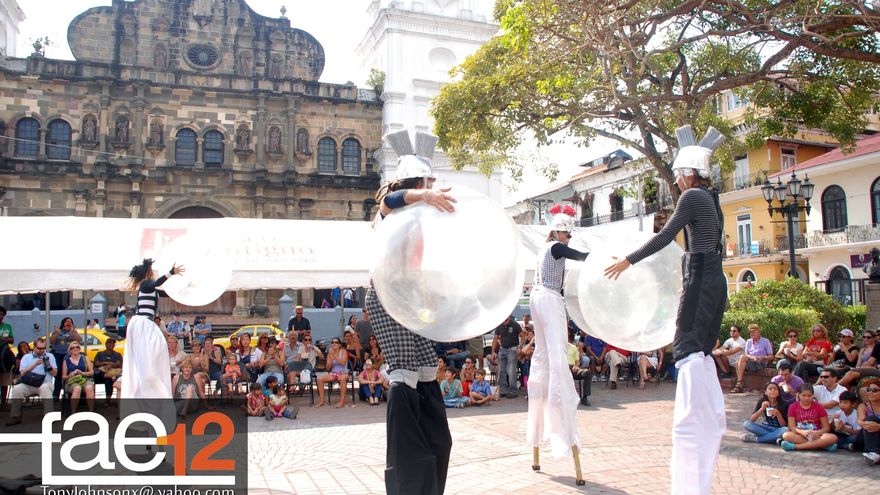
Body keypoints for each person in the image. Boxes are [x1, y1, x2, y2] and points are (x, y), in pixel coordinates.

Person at [605, 125, 727, 495]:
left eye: (677, 174)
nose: (674, 180)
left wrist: (628, 260)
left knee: (686, 349)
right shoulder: (713, 199)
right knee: (700, 352)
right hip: (715, 279)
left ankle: (690, 434)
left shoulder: (692, 197)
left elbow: (664, 237)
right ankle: (706, 422)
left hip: (701, 275)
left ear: (690, 172)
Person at [365, 129, 454, 495]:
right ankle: (407, 480)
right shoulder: (390, 214)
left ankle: (430, 467)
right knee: (404, 373)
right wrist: (424, 196)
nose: (433, 188)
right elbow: (391, 199)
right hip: (388, 299)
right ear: (417, 184)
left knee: (427, 369)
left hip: (409, 298)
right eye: (427, 183)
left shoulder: (418, 220)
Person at [527, 202, 589, 469]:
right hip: (549, 298)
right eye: (567, 233)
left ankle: (547, 393)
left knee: (544, 353)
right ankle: (559, 397)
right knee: (556, 352)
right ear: (557, 232)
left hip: (538, 297)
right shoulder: (555, 247)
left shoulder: (544, 249)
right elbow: (580, 256)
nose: (569, 237)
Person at [120, 258, 184, 400]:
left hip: (144, 324)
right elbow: (157, 283)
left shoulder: (148, 288)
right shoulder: (146, 284)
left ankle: (149, 383)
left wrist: (182, 291)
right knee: (150, 353)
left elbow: (163, 292)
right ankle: (147, 385)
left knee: (153, 353)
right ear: (147, 273)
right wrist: (171, 272)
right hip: (143, 323)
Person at [6, 337, 56, 425]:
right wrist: (34, 364)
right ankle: (15, 416)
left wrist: (48, 366)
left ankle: (49, 416)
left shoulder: (50, 356)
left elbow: (55, 374)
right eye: (39, 348)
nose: (42, 350)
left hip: (44, 383)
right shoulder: (26, 357)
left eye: (44, 348)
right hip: (29, 383)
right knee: (17, 389)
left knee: (45, 388)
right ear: (34, 347)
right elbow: (22, 373)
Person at [780, 383, 838, 451]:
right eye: (803, 395)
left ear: (813, 395)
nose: (806, 398)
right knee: (786, 435)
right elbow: (791, 427)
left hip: (816, 435)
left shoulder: (819, 407)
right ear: (798, 395)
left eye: (809, 396)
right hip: (800, 435)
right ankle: (822, 445)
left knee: (833, 437)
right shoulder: (792, 407)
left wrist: (818, 432)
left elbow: (826, 428)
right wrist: (802, 432)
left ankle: (795, 447)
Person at [731, 324, 773, 393]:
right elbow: (746, 354)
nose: (752, 333)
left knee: (740, 360)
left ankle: (739, 383)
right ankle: (739, 383)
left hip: (760, 364)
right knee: (737, 362)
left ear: (758, 332)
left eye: (753, 332)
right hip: (751, 362)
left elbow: (771, 356)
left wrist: (762, 358)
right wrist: (752, 357)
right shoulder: (749, 341)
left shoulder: (765, 341)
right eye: (750, 332)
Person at [49, 317, 82, 400]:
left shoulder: (73, 332)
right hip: (58, 355)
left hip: (69, 356)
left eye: (70, 322)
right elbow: (51, 341)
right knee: (59, 374)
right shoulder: (57, 331)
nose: (68, 323)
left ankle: (68, 393)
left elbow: (79, 340)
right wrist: (57, 333)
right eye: (67, 321)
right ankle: (56, 394)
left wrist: (74, 332)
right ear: (63, 323)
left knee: (69, 373)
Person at [315, 338, 349, 408]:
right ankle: (322, 401)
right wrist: (331, 360)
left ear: (339, 345)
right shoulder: (329, 354)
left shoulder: (343, 352)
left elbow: (343, 363)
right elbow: (327, 368)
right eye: (332, 342)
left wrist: (334, 355)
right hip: (333, 373)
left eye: (336, 342)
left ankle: (342, 402)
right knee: (319, 379)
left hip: (343, 372)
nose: (334, 344)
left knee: (342, 379)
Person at [495, 315, 522, 398]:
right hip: (503, 348)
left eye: (507, 319)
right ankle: (503, 390)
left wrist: (520, 347)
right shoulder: (499, 325)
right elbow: (495, 338)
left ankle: (513, 391)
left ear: (509, 318)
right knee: (501, 370)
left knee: (511, 370)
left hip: (512, 348)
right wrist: (493, 351)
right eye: (504, 319)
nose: (505, 321)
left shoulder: (515, 324)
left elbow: (522, 335)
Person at [856, 377, 880, 465]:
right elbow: (860, 421)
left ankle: (875, 455)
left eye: (874, 390)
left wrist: (879, 427)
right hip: (865, 436)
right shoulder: (863, 406)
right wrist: (865, 424)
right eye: (869, 390)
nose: (870, 392)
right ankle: (874, 452)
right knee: (871, 418)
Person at [93, 337, 123, 407]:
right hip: (102, 374)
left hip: (112, 372)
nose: (111, 345)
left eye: (113, 343)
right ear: (106, 345)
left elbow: (118, 364)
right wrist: (105, 363)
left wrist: (110, 365)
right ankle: (110, 376)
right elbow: (96, 363)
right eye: (109, 343)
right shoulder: (100, 354)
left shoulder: (118, 354)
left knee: (108, 380)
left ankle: (108, 399)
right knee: (96, 372)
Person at [567, 328, 592, 406]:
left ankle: (585, 397)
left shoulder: (573, 347)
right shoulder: (557, 347)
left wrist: (576, 366)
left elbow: (577, 361)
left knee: (587, 372)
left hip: (572, 367)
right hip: (561, 367)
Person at [0, 306, 14, 408]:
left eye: (2, 314)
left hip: (4, 356)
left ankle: (4, 402)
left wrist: (7, 339)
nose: (0, 316)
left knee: (4, 379)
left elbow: (12, 340)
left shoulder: (8, 326)